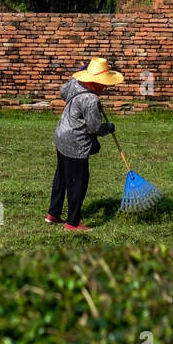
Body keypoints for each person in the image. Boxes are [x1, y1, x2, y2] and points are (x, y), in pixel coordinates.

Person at [49, 57, 123, 232]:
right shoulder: (91, 100)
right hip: (76, 143)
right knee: (77, 183)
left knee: (62, 177)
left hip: (61, 136)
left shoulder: (75, 84)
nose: (105, 87)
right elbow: (94, 127)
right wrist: (108, 127)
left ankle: (53, 214)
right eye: (104, 84)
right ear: (96, 81)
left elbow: (63, 91)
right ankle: (72, 223)